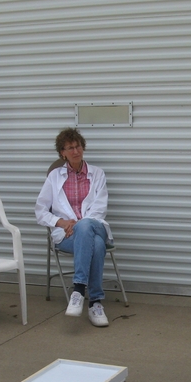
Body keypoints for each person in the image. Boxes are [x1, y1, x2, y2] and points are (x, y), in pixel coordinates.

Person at [35, 128, 112, 327]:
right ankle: (95, 303)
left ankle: (78, 289)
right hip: (67, 235)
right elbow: (40, 211)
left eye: (77, 146)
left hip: (96, 226)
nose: (75, 151)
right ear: (62, 153)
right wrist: (60, 222)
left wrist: (79, 225)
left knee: (87, 227)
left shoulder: (97, 174)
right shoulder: (54, 177)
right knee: (96, 245)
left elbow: (99, 208)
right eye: (70, 148)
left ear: (83, 147)